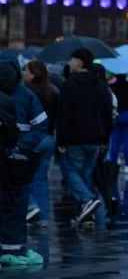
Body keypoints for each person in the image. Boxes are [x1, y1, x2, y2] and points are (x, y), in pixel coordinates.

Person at [56, 48, 114, 225]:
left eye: (72, 60)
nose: (69, 63)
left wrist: (61, 139)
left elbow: (64, 113)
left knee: (69, 170)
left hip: (76, 136)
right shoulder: (100, 84)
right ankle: (88, 212)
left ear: (80, 63)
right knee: (86, 173)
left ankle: (87, 200)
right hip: (96, 137)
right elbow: (107, 112)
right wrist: (105, 138)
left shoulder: (70, 84)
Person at [0, 58, 48, 265]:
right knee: (16, 202)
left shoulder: (22, 96)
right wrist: (23, 147)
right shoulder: (26, 95)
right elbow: (41, 124)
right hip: (19, 160)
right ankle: (14, 247)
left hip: (13, 157)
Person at [22, 60, 58, 223]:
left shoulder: (26, 93)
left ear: (34, 74)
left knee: (22, 177)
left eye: (26, 71)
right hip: (49, 138)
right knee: (41, 179)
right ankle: (43, 217)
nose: (23, 74)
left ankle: (31, 206)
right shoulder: (53, 91)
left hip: (33, 138)